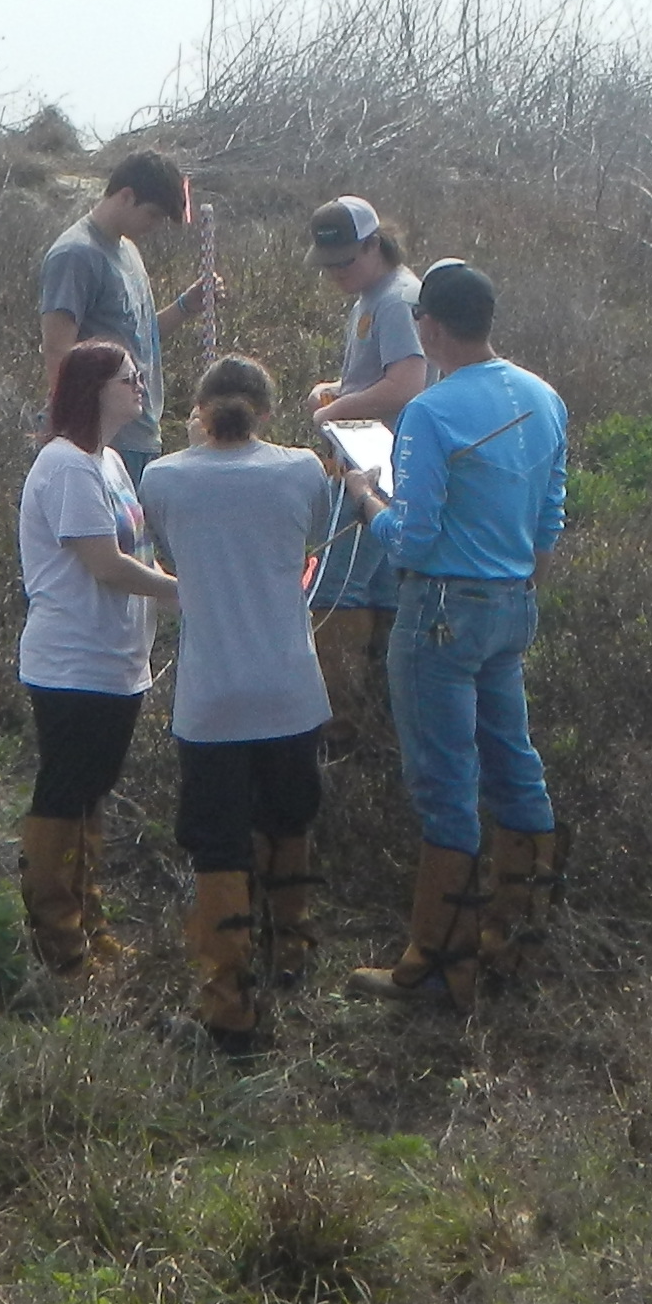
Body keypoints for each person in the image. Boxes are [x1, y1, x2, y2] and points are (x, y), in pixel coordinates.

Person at [337, 258, 568, 1007]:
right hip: (511, 605)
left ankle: (437, 964)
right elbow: (548, 522)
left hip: (438, 611)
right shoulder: (544, 397)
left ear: (430, 328)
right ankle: (517, 940)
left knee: (445, 785)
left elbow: (411, 539)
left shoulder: (433, 413)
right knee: (515, 766)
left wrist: (368, 497)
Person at [136, 352, 334, 1045]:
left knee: (219, 846)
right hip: (290, 690)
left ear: (199, 410)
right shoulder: (303, 469)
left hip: (211, 697)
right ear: (269, 412)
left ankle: (228, 1006)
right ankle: (293, 959)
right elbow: (308, 533)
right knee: (289, 821)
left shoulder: (162, 476)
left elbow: (170, 550)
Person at [13, 339, 175, 978]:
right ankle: (58, 936)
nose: (140, 388)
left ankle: (89, 917)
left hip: (117, 663)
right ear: (94, 388)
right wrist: (183, 595)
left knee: (92, 794)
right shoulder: (69, 467)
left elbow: (138, 550)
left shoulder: (107, 462)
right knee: (65, 792)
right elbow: (105, 564)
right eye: (128, 379)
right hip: (72, 664)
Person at [298, 196, 429, 743]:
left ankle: (342, 726)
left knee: (336, 590)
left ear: (375, 244)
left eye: (345, 262)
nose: (334, 274)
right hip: (373, 461)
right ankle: (378, 722)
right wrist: (341, 390)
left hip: (378, 467)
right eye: (327, 264)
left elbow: (407, 384)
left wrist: (334, 410)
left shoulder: (398, 300)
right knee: (378, 593)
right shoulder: (371, 298)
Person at [37, 150, 207, 473]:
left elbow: (139, 339)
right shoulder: (75, 255)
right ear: (127, 196)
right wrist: (81, 441)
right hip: (99, 442)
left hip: (140, 436)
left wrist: (186, 306)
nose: (155, 226)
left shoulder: (128, 250)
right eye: (153, 215)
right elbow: (59, 352)